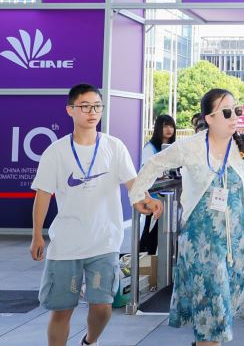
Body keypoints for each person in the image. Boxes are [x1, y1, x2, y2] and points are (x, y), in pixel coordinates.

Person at [129, 89, 244, 345]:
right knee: (211, 317)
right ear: (209, 118)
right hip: (202, 244)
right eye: (227, 112)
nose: (234, 117)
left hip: (238, 244)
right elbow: (153, 164)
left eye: (236, 110)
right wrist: (140, 196)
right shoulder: (191, 146)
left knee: (223, 311)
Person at [30, 84, 160, 346]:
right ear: (70, 110)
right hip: (66, 245)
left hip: (104, 242)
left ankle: (89, 341)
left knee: (103, 308)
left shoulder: (114, 146)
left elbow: (132, 184)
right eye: (85, 106)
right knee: (61, 311)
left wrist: (145, 201)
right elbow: (43, 194)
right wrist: (37, 236)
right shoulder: (56, 151)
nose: (92, 112)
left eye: (97, 106)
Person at [139, 114, 177, 254]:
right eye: (165, 126)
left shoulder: (174, 147)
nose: (169, 129)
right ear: (158, 128)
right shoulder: (150, 148)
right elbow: (146, 171)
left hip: (170, 195)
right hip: (154, 195)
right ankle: (143, 259)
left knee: (161, 232)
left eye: (171, 126)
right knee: (150, 231)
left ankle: (152, 260)